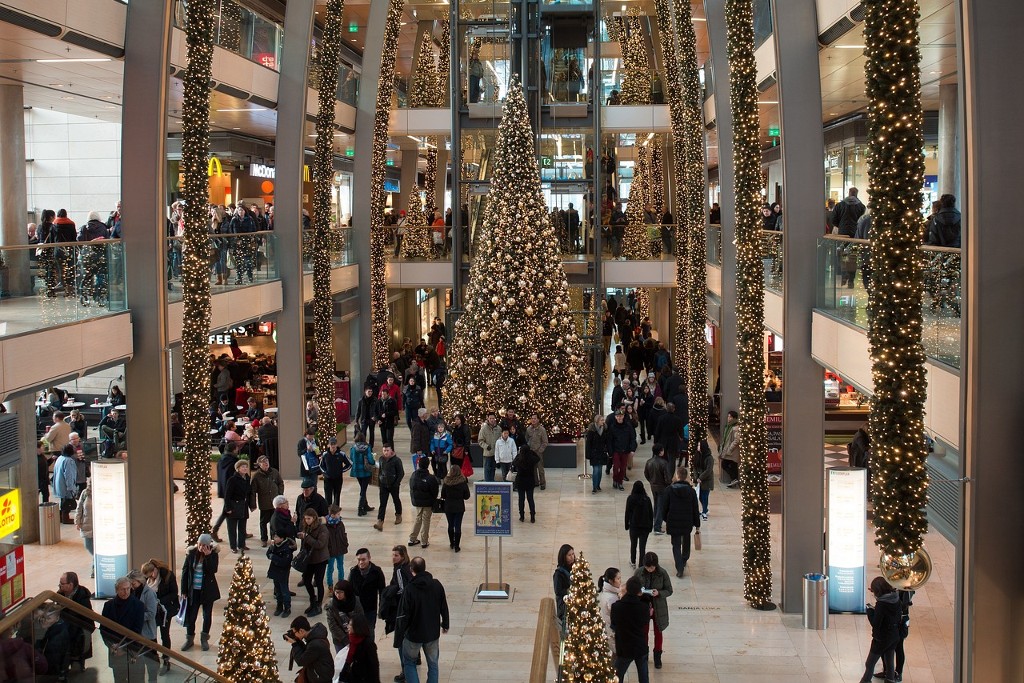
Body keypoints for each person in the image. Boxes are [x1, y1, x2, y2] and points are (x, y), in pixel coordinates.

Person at [396, 557, 450, 683]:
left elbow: (404, 614)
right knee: (433, 664)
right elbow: (444, 606)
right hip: (432, 633)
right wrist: (445, 624)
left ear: (411, 570)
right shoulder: (436, 585)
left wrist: (399, 635)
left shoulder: (409, 589)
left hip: (413, 635)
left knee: (409, 663)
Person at [180, 534, 220, 652]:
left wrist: (208, 556)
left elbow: (213, 570)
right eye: (200, 544)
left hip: (207, 591)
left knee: (207, 616)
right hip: (194, 591)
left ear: (209, 546)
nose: (201, 547)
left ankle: (204, 639)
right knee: (191, 616)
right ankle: (189, 638)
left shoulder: (213, 554)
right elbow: (185, 572)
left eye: (204, 545)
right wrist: (184, 590)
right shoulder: (191, 554)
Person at [100, 576, 146, 681]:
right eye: (123, 589)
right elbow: (103, 630)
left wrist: (123, 647)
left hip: (132, 652)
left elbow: (136, 631)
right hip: (116, 653)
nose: (126, 592)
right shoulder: (108, 605)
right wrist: (111, 646)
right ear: (116, 590)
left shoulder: (138, 605)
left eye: (128, 589)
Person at [858, 576, 902, 683]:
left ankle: (865, 681)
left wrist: (870, 611)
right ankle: (890, 680)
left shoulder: (881, 605)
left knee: (870, 663)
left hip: (882, 638)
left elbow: (875, 624)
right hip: (894, 635)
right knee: (889, 661)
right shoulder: (896, 598)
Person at [634, 552, 673, 670]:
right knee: (644, 632)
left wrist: (659, 593)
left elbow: (669, 590)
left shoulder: (663, 573)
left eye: (651, 567)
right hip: (643, 606)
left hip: (658, 607)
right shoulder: (639, 572)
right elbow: (632, 587)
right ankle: (644, 656)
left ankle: (657, 656)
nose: (649, 570)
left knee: (658, 632)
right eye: (647, 567)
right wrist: (638, 593)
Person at [660, 467, 700, 577]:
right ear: (686, 477)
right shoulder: (691, 491)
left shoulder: (669, 490)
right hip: (687, 521)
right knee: (686, 542)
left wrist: (665, 518)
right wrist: (697, 524)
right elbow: (695, 508)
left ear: (677, 476)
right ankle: (684, 559)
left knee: (676, 545)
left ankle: (679, 567)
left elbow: (664, 507)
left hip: (673, 521)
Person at [142, 560, 179, 674]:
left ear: (154, 570)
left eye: (151, 575)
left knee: (164, 634)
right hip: (153, 611)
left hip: (165, 610)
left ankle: (166, 659)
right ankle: (154, 658)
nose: (150, 579)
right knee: (152, 634)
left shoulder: (168, 576)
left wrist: (159, 601)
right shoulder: (147, 579)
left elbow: (174, 593)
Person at [611, 577, 651, 682]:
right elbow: (645, 622)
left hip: (624, 646)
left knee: (617, 675)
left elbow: (614, 625)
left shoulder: (616, 606)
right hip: (639, 646)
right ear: (639, 592)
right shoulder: (643, 607)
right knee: (643, 677)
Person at [126, 568, 160, 680]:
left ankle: (153, 680)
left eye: (133, 583)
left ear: (140, 581)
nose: (131, 586)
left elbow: (151, 613)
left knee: (151, 661)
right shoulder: (132, 592)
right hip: (136, 632)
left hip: (148, 633)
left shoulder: (149, 593)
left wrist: (136, 617)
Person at [58, 571, 95, 671]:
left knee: (76, 666)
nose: (59, 585)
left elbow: (87, 620)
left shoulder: (82, 599)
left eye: (62, 584)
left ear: (70, 585)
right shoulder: (60, 595)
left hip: (78, 635)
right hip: (65, 633)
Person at [298, 508, 330, 616]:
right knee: (307, 580)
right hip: (309, 559)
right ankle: (313, 600)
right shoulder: (306, 527)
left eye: (309, 518)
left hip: (320, 559)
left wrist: (306, 537)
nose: (307, 521)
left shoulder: (322, 529)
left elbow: (320, 544)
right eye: (305, 518)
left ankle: (319, 604)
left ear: (314, 518)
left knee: (319, 582)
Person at [285, 615, 334, 683]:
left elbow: (301, 661)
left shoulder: (315, 644)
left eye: (294, 632)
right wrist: (298, 641)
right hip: (320, 673)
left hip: (320, 678)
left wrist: (294, 644)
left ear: (301, 631)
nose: (294, 635)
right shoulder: (315, 635)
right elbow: (307, 652)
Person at [348, 548, 387, 631]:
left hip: (370, 608)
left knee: (369, 632)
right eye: (359, 560)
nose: (361, 562)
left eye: (363, 559)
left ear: (369, 558)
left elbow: (382, 591)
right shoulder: (353, 572)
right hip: (356, 609)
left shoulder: (377, 571)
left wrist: (381, 608)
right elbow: (349, 590)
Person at [249, 455, 285, 547]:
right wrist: (253, 504)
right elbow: (252, 491)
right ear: (259, 464)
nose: (266, 463)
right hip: (264, 503)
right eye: (263, 462)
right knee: (263, 522)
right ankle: (264, 539)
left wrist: (280, 494)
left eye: (267, 461)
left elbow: (280, 483)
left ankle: (274, 538)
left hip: (275, 502)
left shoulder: (275, 472)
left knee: (274, 522)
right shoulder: (256, 476)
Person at [408, 456, 440, 549]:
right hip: (427, 503)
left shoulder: (414, 475)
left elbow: (411, 487)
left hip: (417, 502)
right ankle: (424, 541)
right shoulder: (430, 478)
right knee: (426, 520)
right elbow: (435, 491)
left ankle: (412, 538)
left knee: (418, 518)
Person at [325, 579, 365, 653]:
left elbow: (360, 619)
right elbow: (332, 625)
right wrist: (345, 639)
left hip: (355, 636)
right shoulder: (332, 605)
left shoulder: (355, 601)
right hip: (339, 639)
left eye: (341, 592)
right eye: (336, 592)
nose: (338, 595)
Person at [374, 444, 405, 531]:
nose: (386, 452)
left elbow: (401, 473)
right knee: (382, 503)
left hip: (394, 485)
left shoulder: (397, 460)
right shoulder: (381, 459)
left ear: (391, 451)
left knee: (396, 500)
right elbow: (380, 471)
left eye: (387, 450)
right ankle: (380, 521)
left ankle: (398, 515)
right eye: (384, 450)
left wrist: (396, 483)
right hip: (383, 485)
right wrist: (380, 482)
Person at [341, 613, 381, 683]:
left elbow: (374, 667)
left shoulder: (368, 644)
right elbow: (349, 660)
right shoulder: (352, 640)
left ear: (357, 627)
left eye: (350, 625)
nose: (348, 627)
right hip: (355, 677)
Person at [223, 459, 251, 553]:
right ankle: (233, 546)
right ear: (238, 468)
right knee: (232, 529)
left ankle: (242, 545)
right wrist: (228, 508)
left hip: (243, 506)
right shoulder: (232, 480)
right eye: (243, 467)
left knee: (242, 527)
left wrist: (251, 505)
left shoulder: (247, 478)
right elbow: (227, 495)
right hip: (233, 506)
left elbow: (249, 493)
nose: (245, 468)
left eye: (246, 467)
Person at [267, 527, 296, 618]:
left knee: (284, 590)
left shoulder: (287, 548)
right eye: (274, 537)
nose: (274, 539)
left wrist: (273, 557)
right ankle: (279, 606)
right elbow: (268, 554)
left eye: (276, 537)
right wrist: (271, 550)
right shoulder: (274, 545)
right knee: (277, 590)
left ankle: (287, 607)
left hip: (283, 572)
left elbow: (285, 562)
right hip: (275, 571)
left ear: (282, 538)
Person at [625, 481, 654, 569]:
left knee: (633, 544)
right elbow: (651, 514)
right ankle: (641, 564)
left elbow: (627, 513)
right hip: (645, 527)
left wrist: (626, 525)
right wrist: (650, 526)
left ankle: (633, 561)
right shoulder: (647, 499)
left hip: (634, 526)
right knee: (642, 547)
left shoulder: (630, 498)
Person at [644, 445, 672, 535]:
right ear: (660, 452)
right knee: (660, 506)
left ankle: (655, 521)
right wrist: (669, 483)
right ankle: (657, 527)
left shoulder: (649, 462)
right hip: (662, 487)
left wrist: (651, 481)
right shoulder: (664, 463)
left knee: (656, 504)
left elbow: (646, 474)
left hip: (653, 486)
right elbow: (667, 477)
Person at [607, 410, 638, 491]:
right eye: (618, 416)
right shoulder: (612, 427)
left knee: (623, 467)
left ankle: (620, 482)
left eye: (621, 416)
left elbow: (632, 438)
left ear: (623, 416)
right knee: (616, 466)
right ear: (615, 417)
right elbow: (609, 440)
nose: (619, 417)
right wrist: (610, 451)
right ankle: (615, 479)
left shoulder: (628, 426)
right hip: (616, 450)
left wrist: (632, 449)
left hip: (625, 450)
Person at [349, 432, 377, 516]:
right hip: (365, 471)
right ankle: (360, 508)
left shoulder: (353, 448)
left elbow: (351, 459)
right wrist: (373, 461)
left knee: (362, 487)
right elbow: (371, 460)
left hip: (357, 471)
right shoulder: (367, 447)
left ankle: (365, 505)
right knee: (363, 490)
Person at [597, 567, 622, 657]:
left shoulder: (606, 592)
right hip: (612, 633)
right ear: (611, 581)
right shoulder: (612, 598)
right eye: (618, 579)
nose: (620, 581)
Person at [321, 437, 353, 507]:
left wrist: (341, 470)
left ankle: (336, 514)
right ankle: (328, 513)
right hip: (328, 479)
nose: (333, 446)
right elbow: (321, 465)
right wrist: (325, 473)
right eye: (331, 444)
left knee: (337, 496)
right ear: (328, 445)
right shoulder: (325, 454)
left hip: (338, 479)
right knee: (328, 497)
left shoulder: (341, 454)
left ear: (337, 445)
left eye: (334, 444)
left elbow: (350, 464)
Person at [512, 446, 540, 523]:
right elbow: (538, 458)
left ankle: (522, 516)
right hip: (530, 481)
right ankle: (532, 516)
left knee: (521, 499)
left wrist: (519, 454)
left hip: (520, 481)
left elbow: (513, 462)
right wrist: (532, 452)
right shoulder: (532, 459)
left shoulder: (519, 459)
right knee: (530, 499)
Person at [324, 504, 350, 589]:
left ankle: (341, 583)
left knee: (340, 566)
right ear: (332, 515)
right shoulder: (326, 525)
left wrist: (345, 544)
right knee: (330, 568)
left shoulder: (340, 523)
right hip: (331, 551)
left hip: (340, 549)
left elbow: (343, 535)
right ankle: (330, 585)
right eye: (338, 514)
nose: (339, 516)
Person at [53, 444, 78, 525]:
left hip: (59, 484)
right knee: (67, 503)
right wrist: (71, 487)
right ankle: (65, 518)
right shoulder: (69, 461)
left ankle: (61, 517)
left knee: (63, 501)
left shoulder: (60, 458)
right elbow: (69, 475)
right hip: (65, 486)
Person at [692, 437, 715, 520]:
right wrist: (696, 477)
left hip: (706, 481)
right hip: (699, 480)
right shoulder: (697, 455)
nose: (697, 447)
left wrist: (700, 477)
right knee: (700, 496)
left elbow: (708, 470)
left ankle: (704, 511)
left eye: (699, 445)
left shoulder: (709, 458)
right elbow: (694, 467)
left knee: (705, 496)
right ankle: (705, 509)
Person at [553, 544, 575, 628]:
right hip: (564, 605)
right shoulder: (559, 573)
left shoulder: (575, 568)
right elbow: (558, 591)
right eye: (569, 555)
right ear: (564, 556)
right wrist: (570, 591)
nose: (572, 557)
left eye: (573, 554)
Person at [585, 413, 608, 493]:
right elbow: (588, 444)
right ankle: (594, 487)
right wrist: (588, 455)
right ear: (597, 421)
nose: (603, 421)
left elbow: (606, 441)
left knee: (600, 470)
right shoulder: (591, 431)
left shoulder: (604, 429)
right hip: (594, 453)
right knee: (596, 470)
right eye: (602, 420)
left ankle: (598, 485)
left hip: (602, 453)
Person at [525, 413, 549, 490]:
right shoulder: (528, 429)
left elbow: (545, 442)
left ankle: (542, 483)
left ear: (538, 419)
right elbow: (526, 439)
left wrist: (540, 450)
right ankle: (535, 482)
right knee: (532, 468)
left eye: (535, 418)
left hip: (538, 452)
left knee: (540, 468)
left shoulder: (542, 430)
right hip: (531, 451)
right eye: (532, 418)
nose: (533, 420)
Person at [477, 411, 501, 482]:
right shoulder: (484, 429)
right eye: (490, 418)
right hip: (487, 453)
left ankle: (492, 481)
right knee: (487, 468)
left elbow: (501, 439)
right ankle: (487, 482)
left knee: (493, 468)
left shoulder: (499, 429)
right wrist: (486, 446)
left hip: (495, 453)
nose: (492, 420)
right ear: (488, 419)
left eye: (493, 418)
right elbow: (480, 441)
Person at [719, 410, 741, 487]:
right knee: (732, 465)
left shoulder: (735, 428)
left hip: (732, 451)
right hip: (729, 450)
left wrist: (730, 448)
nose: (728, 418)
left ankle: (734, 480)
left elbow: (737, 440)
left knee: (725, 464)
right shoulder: (728, 426)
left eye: (730, 417)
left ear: (734, 418)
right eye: (728, 416)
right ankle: (734, 480)